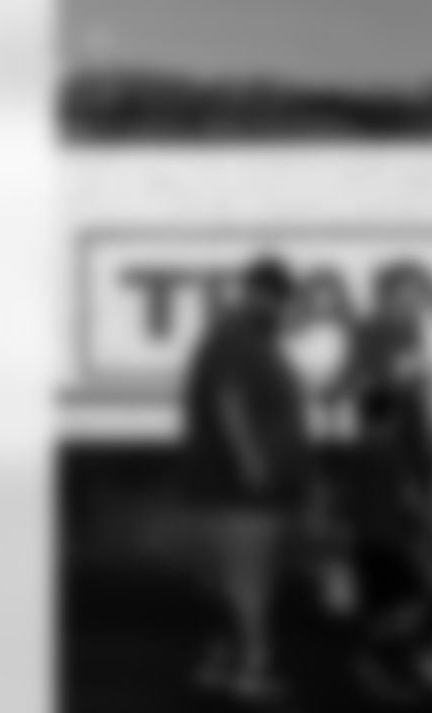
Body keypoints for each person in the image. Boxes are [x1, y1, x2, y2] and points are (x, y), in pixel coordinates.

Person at [181, 256, 310, 701]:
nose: (284, 311)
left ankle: (220, 663)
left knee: (229, 581)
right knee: (249, 580)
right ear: (259, 295)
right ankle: (254, 669)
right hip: (238, 491)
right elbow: (229, 403)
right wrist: (251, 464)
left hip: (242, 489)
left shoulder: (251, 340)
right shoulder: (236, 338)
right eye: (280, 301)